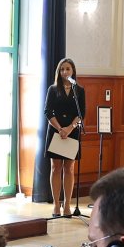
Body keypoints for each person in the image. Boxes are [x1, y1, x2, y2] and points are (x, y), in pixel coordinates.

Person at [43, 57, 86, 218]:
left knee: (69, 168)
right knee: (56, 168)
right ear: (58, 72)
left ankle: (67, 205)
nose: (65, 72)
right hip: (56, 131)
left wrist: (69, 128)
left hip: (72, 132)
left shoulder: (79, 90)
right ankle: (56, 205)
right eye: (62, 69)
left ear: (73, 71)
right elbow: (48, 112)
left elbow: (81, 113)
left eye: (67, 69)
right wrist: (61, 128)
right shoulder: (52, 89)